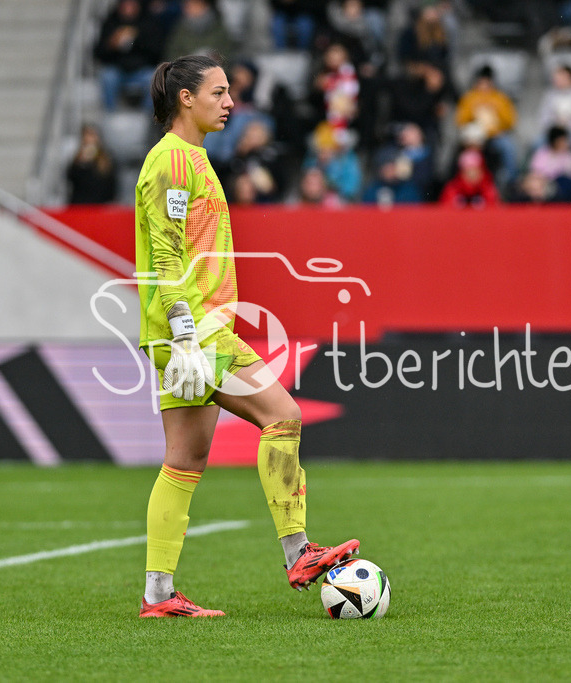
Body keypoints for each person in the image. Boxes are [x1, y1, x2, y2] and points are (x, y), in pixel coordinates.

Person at [134, 55, 359, 618]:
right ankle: (299, 553)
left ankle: (158, 595)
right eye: (219, 91)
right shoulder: (171, 164)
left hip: (183, 330)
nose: (230, 102)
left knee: (184, 458)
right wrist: (186, 333)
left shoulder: (191, 159)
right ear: (186, 98)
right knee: (283, 416)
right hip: (195, 331)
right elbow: (166, 253)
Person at [93, 0, 167, 111]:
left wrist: (136, 41)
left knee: (153, 78)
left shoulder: (149, 23)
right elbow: (98, 54)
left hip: (141, 69)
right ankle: (110, 116)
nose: (128, 8)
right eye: (125, 4)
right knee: (107, 76)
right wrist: (111, 45)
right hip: (117, 70)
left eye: (132, 4)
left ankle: (148, 118)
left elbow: (157, 53)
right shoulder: (111, 22)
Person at [455, 65, 519, 187]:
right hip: (475, 137)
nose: (484, 86)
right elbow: (460, 120)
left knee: (508, 146)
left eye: (487, 83)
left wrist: (499, 126)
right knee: (459, 149)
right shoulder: (470, 98)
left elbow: (511, 121)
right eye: (481, 83)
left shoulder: (500, 98)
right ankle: (458, 181)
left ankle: (511, 181)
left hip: (495, 135)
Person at [66, 124, 118, 204]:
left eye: (92, 135)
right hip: (79, 206)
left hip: (99, 205)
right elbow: (71, 178)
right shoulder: (77, 158)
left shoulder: (105, 159)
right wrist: (82, 163)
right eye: (86, 136)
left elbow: (110, 183)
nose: (89, 139)